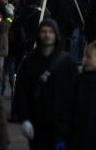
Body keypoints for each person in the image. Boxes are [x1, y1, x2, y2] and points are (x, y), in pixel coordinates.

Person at [12, 19, 79, 150]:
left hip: (61, 125)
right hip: (37, 124)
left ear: (56, 35)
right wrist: (24, 118)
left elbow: (76, 94)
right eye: (43, 32)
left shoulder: (67, 63)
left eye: (50, 32)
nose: (47, 35)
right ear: (38, 35)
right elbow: (21, 92)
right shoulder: (29, 62)